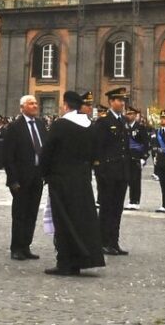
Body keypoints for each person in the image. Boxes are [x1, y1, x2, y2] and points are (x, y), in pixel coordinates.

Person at [39, 90, 105, 276]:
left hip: (61, 179)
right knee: (81, 219)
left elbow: (47, 151)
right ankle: (82, 258)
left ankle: (65, 262)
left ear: (66, 105)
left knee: (63, 220)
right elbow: (95, 153)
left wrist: (44, 173)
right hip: (82, 179)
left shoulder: (60, 125)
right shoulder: (90, 126)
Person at [0, 95, 47, 259]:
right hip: (21, 178)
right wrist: (12, 180)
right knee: (20, 213)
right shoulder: (15, 127)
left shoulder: (41, 124)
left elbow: (44, 148)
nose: (35, 106)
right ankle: (16, 248)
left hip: (37, 176)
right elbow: (8, 156)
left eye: (35, 103)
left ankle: (26, 245)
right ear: (22, 107)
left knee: (32, 213)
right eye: (31, 103)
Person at [91, 87, 134, 254]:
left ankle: (114, 242)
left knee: (117, 208)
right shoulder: (103, 121)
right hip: (108, 172)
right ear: (110, 102)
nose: (122, 103)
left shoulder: (123, 121)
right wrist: (99, 170)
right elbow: (98, 148)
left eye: (123, 100)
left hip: (121, 172)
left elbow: (125, 148)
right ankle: (103, 242)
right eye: (119, 100)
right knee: (107, 208)